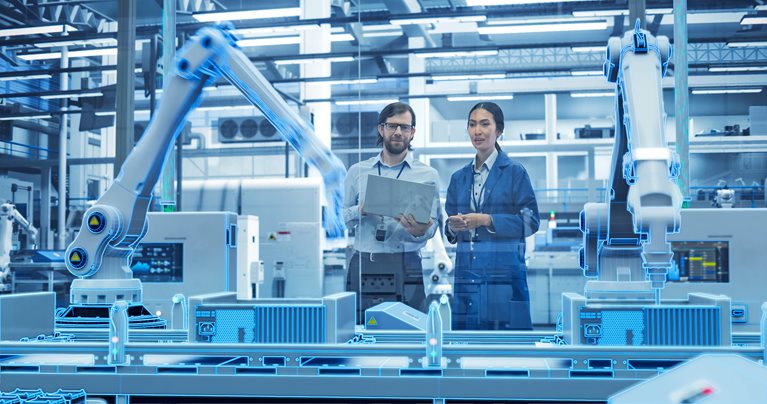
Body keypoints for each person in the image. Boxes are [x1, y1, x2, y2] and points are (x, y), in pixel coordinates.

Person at [445, 102, 540, 330]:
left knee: (507, 352)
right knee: (466, 350)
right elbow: (447, 225)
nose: (477, 131)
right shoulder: (459, 178)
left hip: (504, 275)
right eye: (472, 124)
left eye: (485, 124)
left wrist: (487, 220)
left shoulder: (515, 173)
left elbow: (531, 221)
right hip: (467, 276)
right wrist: (452, 227)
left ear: (499, 130)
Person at [344, 102, 441, 322]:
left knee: (413, 331)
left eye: (405, 127)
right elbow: (344, 219)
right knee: (360, 330)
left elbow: (434, 226)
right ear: (381, 129)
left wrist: (421, 230)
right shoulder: (357, 171)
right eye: (392, 126)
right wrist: (361, 210)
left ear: (413, 132)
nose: (398, 132)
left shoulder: (428, 175)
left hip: (407, 264)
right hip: (365, 264)